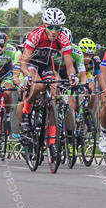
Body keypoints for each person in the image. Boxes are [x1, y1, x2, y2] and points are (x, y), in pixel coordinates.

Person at [19, 8, 78, 144]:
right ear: (44, 25)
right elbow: (24, 62)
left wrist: (72, 76)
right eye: (50, 27)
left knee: (54, 93)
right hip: (32, 64)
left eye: (57, 28)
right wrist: (27, 75)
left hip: (46, 65)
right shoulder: (36, 35)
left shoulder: (63, 38)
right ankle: (27, 110)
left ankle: (51, 139)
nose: (54, 31)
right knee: (38, 85)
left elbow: (69, 64)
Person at [0, 30, 20, 136]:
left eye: (2, 46)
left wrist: (16, 78)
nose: (0, 49)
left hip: (6, 73)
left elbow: (16, 64)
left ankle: (7, 116)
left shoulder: (11, 50)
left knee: (7, 92)